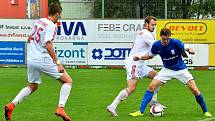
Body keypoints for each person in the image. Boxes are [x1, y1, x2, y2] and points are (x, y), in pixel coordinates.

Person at [4, 3, 72, 121]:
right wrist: (58, 62)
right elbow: (48, 44)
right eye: (59, 16)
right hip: (43, 59)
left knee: (32, 86)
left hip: (32, 58)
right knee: (68, 81)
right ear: (56, 14)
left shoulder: (40, 21)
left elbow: (31, 37)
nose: (58, 19)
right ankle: (61, 108)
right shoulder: (51, 25)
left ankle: (11, 105)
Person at [129, 28, 212, 117]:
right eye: (163, 39)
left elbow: (187, 48)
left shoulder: (175, 42)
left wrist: (190, 50)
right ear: (160, 36)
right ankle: (140, 112)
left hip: (180, 69)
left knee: (195, 90)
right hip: (167, 70)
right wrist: (139, 57)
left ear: (170, 37)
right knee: (151, 86)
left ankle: (205, 111)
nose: (165, 41)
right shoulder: (156, 45)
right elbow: (150, 56)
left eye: (167, 39)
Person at [106, 16, 165, 117]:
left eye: (155, 25)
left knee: (158, 78)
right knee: (132, 88)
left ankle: (153, 101)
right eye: (152, 24)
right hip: (134, 63)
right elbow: (156, 46)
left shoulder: (145, 33)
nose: (154, 26)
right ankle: (112, 106)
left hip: (140, 63)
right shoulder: (146, 34)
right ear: (146, 24)